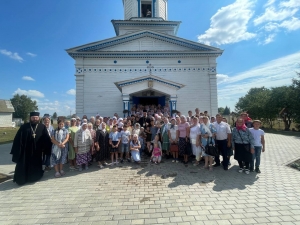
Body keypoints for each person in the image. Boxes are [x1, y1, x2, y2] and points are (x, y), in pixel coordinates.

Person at [10, 112, 52, 185]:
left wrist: (46, 148)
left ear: (38, 118)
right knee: (23, 165)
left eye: (36, 117)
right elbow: (18, 139)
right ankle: (22, 179)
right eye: (33, 117)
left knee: (36, 165)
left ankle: (34, 177)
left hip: (37, 151)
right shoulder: (24, 127)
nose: (35, 119)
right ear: (30, 118)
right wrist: (18, 150)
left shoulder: (42, 127)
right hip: (25, 151)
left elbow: (46, 139)